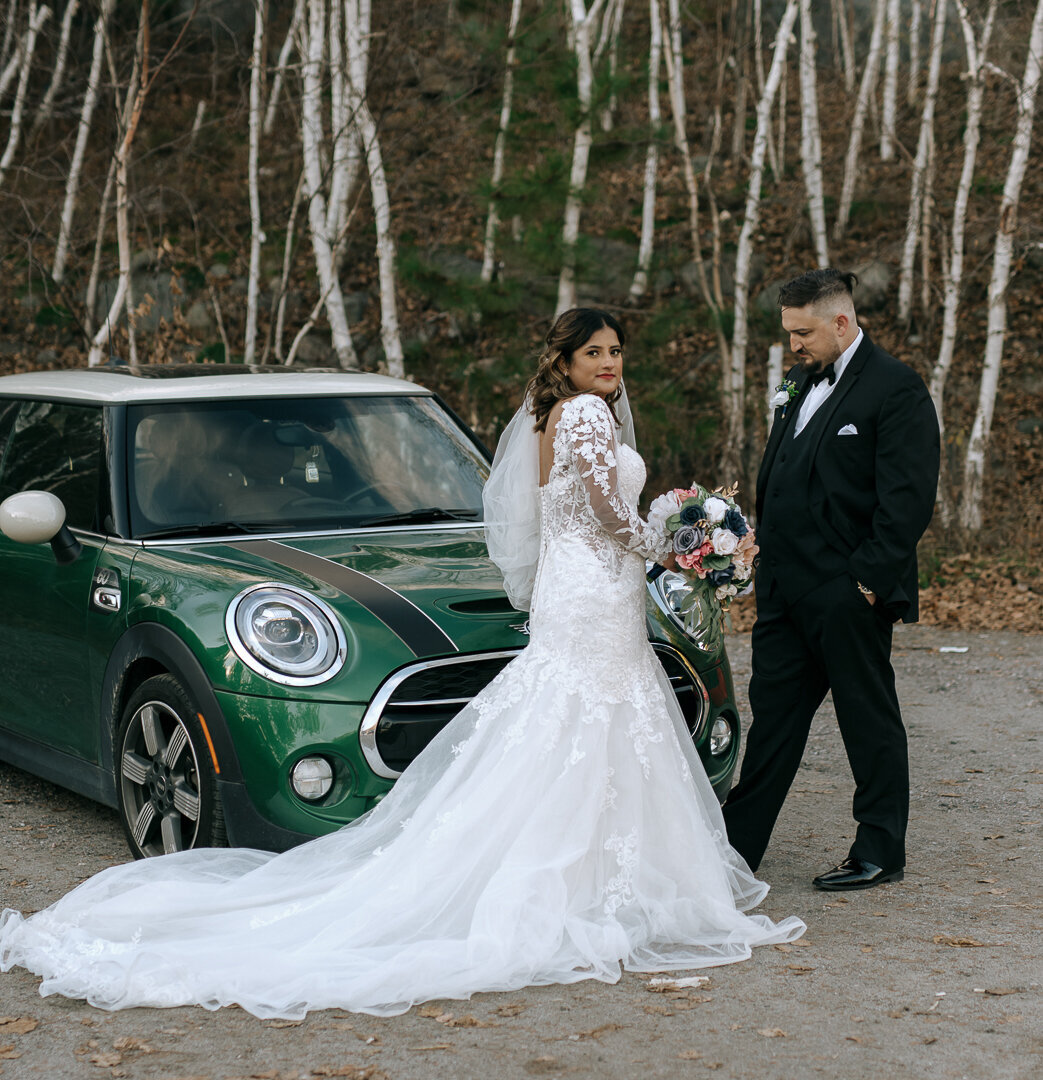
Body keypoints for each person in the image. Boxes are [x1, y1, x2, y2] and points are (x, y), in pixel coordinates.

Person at [0, 307, 803, 1019]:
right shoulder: (585, 417)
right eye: (594, 350)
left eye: (616, 351)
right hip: (592, 588)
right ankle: (601, 887)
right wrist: (670, 546)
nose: (609, 363)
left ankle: (588, 880)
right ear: (565, 360)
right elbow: (599, 503)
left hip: (588, 593)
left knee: (574, 730)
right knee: (581, 728)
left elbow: (546, 503)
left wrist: (668, 554)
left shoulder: (558, 414)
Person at [723, 270, 940, 891]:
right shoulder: (798, 382)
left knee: (866, 720)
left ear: (840, 322)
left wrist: (865, 584)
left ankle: (880, 850)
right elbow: (787, 476)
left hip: (847, 593)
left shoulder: (896, 389)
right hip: (784, 590)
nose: (793, 344)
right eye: (789, 331)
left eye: (803, 331)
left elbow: (907, 501)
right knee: (774, 722)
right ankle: (736, 852)